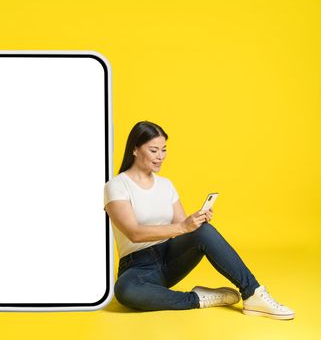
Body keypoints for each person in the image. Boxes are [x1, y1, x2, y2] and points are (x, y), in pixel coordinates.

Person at [103, 120, 295, 320]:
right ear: (135, 149)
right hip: (138, 267)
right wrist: (183, 226)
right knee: (125, 290)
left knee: (203, 230)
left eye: (164, 150)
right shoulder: (116, 186)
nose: (160, 157)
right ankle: (199, 298)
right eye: (153, 150)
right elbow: (133, 233)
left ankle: (253, 293)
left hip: (170, 258)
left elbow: (183, 226)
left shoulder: (166, 185)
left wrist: (195, 220)